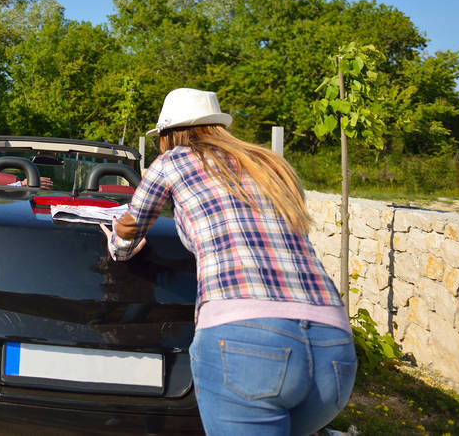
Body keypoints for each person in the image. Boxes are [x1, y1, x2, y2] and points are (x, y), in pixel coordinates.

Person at [100, 88, 355, 436]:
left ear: (168, 134)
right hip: (333, 346)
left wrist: (117, 244)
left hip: (247, 341)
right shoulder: (269, 162)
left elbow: (133, 224)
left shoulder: (173, 161)